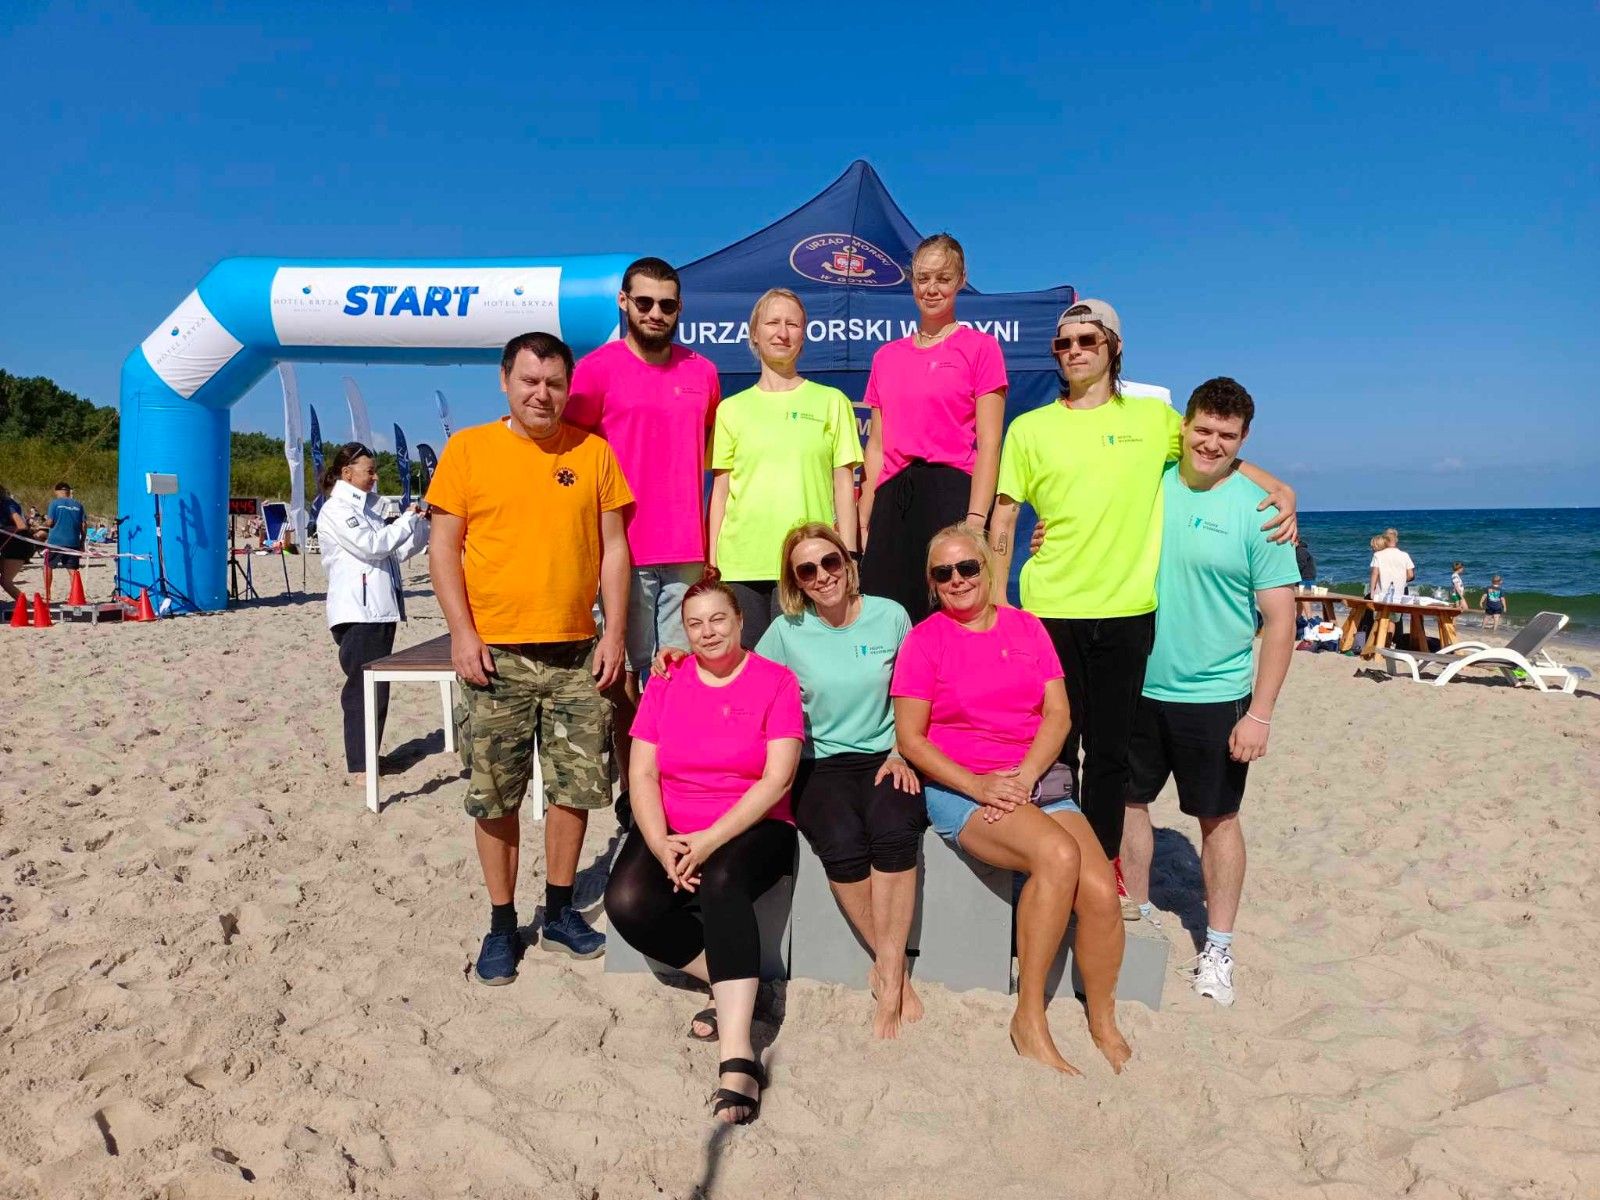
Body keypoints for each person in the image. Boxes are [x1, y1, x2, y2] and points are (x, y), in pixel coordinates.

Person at [990, 300, 1297, 901]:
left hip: (1129, 614)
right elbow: (1004, 515)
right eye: (1064, 343)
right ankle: (1051, 867)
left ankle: (1101, 873)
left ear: (1113, 350)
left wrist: (1280, 487)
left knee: (1109, 756)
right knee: (1054, 748)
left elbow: (1210, 447)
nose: (1074, 350)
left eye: (1088, 340)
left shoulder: (1154, 418)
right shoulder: (1028, 429)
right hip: (1048, 609)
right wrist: (1001, 600)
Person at [426, 331, 634, 982]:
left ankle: (561, 910)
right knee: (495, 796)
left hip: (576, 650)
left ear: (567, 386)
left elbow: (615, 551)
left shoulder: (593, 452)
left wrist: (615, 634)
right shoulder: (469, 451)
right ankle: (499, 923)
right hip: (495, 654)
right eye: (529, 381)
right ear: (505, 382)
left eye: (552, 382)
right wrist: (461, 633)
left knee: (576, 790)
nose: (541, 393)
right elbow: (442, 549)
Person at [892, 524, 1129, 1075]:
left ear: (987, 568)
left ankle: (1102, 1017)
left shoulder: (1026, 628)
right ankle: (1029, 1018)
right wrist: (980, 786)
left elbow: (1059, 716)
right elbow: (911, 739)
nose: (957, 580)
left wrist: (1022, 777)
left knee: (1100, 892)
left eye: (967, 568)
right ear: (931, 584)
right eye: (942, 573)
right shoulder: (925, 641)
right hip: (964, 789)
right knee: (1057, 856)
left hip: (1035, 781)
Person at [1119, 378, 1299, 1008]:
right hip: (1137, 682)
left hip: (1217, 693)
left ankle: (1217, 947)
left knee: (1217, 820)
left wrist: (1261, 715)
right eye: (1203, 429)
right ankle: (1134, 915)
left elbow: (1282, 621)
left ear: (1243, 441)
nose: (1211, 443)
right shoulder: (1153, 477)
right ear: (1185, 426)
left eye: (1227, 436)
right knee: (1128, 805)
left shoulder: (1259, 511)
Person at [604, 575, 803, 1125]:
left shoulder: (775, 681)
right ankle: (732, 980)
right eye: (695, 624)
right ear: (683, 631)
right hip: (674, 825)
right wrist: (658, 841)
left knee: (720, 882)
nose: (707, 632)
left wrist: (711, 840)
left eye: (719, 619)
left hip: (753, 823)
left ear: (741, 622)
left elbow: (777, 779)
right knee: (626, 902)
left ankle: (737, 1055)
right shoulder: (668, 681)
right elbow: (641, 771)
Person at [567, 257, 721, 783]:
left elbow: (711, 455)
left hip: (685, 549)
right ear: (624, 302)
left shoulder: (702, 372)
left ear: (680, 309)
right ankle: (634, 783)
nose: (656, 313)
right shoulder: (594, 371)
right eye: (646, 302)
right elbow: (568, 451)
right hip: (619, 549)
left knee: (677, 669)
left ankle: (667, 775)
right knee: (624, 670)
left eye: (668, 304)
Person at [858, 233, 1007, 621]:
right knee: (884, 613)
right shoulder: (886, 357)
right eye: (923, 278)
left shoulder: (980, 348)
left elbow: (990, 444)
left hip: (951, 498)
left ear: (960, 280)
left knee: (952, 616)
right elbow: (876, 445)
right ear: (911, 282)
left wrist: (975, 521)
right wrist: (864, 514)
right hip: (894, 501)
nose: (932, 288)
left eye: (943, 278)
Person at [708, 289, 862, 646]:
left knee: (804, 674)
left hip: (809, 567)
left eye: (793, 324)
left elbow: (844, 485)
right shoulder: (730, 410)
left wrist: (849, 556)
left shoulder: (831, 401)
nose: (783, 332)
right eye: (773, 322)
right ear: (754, 335)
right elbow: (720, 492)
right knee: (750, 673)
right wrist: (714, 563)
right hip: (742, 566)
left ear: (803, 336)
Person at [317, 442, 430, 790]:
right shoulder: (337, 509)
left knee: (378, 688)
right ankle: (359, 764)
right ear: (347, 473)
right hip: (358, 610)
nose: (375, 477)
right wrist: (406, 520)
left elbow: (394, 552)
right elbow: (373, 546)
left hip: (380, 608)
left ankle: (369, 755)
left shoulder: (369, 509)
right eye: (369, 471)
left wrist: (421, 524)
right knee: (361, 689)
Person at [43, 481, 87, 602]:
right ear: (68, 491)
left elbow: (50, 522)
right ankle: (75, 595)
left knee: (48, 566)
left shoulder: (55, 503)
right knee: (72, 569)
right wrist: (82, 542)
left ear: (57, 491)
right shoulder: (79, 505)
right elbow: (83, 526)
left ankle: (47, 595)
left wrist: (43, 522)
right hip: (73, 541)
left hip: (55, 541)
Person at [1, 484, 32, 603]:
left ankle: (29, 607)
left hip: (18, 545)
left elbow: (21, 525)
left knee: (5, 582)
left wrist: (3, 528)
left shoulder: (8, 504)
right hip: (9, 545)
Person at [1370, 532, 1413, 602]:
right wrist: (1400, 579)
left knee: (1368, 603)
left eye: (1373, 547)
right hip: (1401, 592)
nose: (1372, 549)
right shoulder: (1405, 555)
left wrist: (1372, 591)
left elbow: (1375, 574)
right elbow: (1411, 575)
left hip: (1382, 594)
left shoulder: (1377, 555)